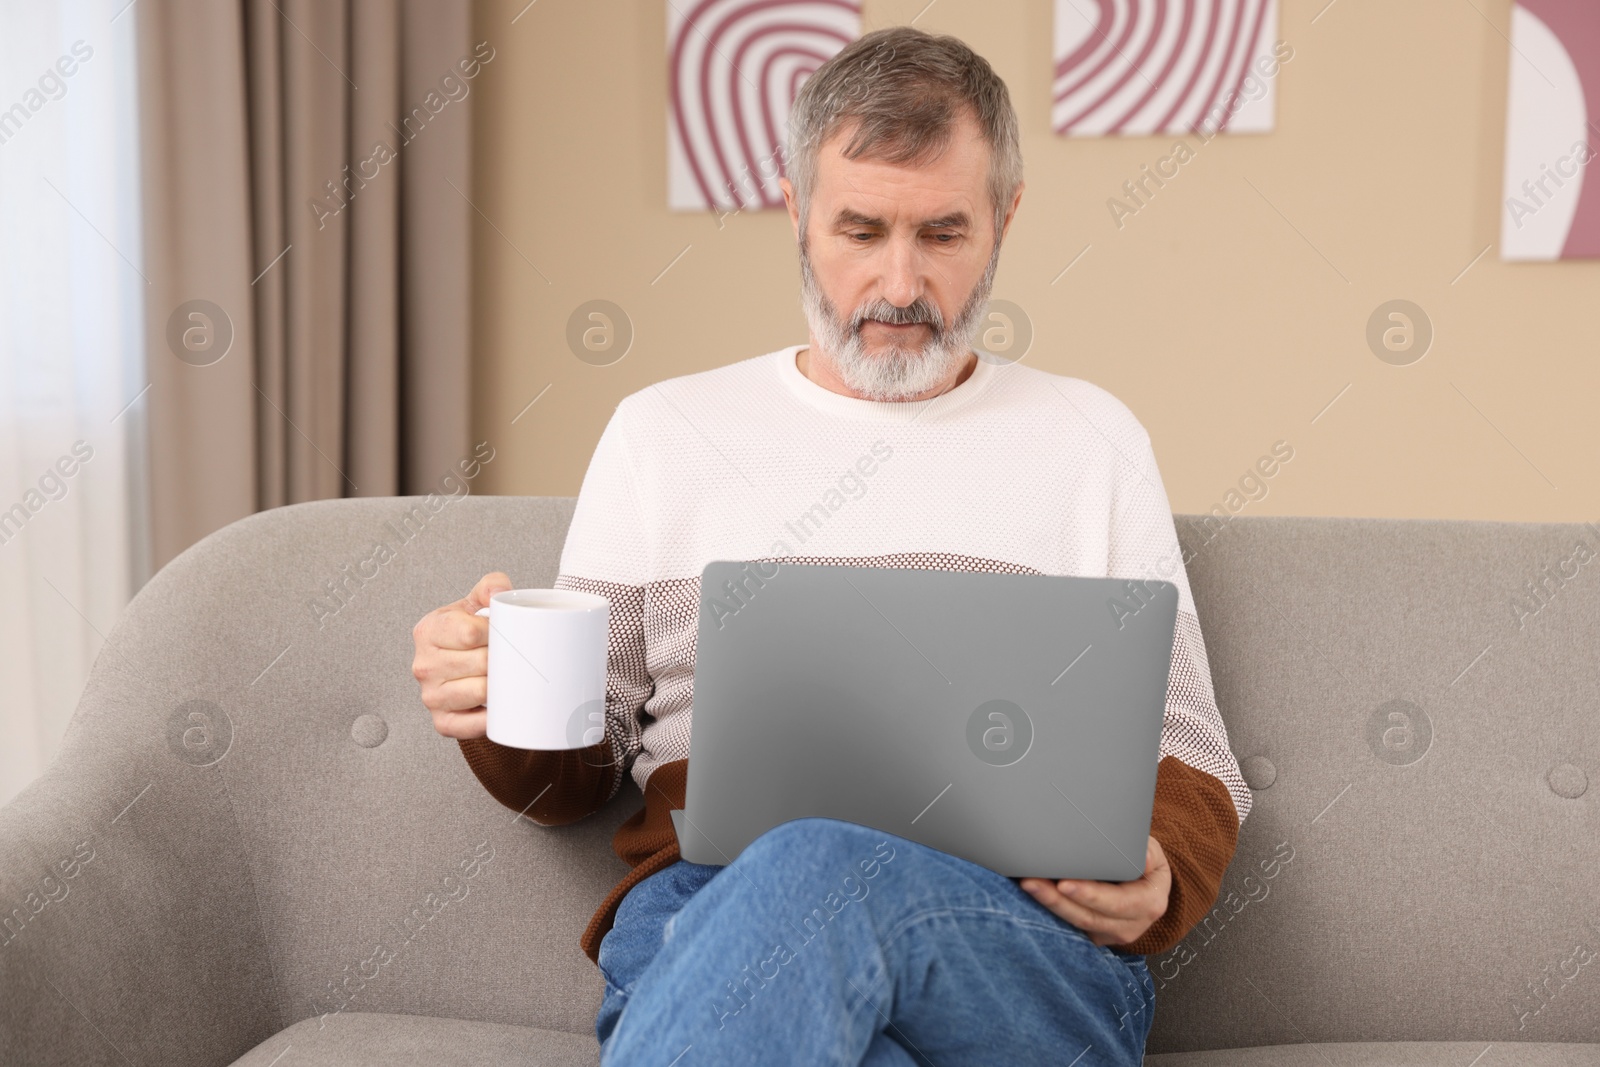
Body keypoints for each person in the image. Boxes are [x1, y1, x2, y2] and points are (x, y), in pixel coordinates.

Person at [411, 25, 1251, 1066]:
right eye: (861, 230)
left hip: (1016, 943)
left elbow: (1194, 754)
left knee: (816, 865)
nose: (900, 284)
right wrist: (494, 701)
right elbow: (571, 776)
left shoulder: (1092, 440)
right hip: (708, 912)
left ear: (1005, 217)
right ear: (797, 211)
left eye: (943, 234)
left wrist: (1161, 870)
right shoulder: (663, 432)